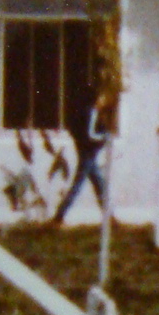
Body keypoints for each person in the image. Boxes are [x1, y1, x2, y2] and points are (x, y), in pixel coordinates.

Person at [52, 87, 113, 224]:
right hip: (88, 154)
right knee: (78, 186)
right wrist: (105, 137)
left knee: (100, 185)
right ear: (97, 99)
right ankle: (59, 216)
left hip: (88, 153)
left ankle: (110, 218)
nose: (104, 101)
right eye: (102, 98)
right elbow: (90, 134)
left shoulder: (89, 112)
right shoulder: (91, 113)